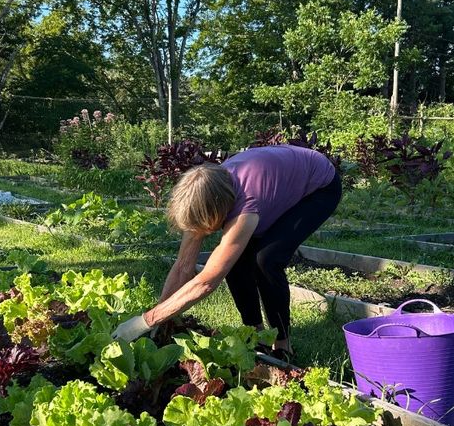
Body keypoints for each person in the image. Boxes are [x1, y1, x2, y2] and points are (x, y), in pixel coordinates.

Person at [112, 144, 342, 359]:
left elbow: (207, 281)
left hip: (318, 187)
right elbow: (183, 266)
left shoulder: (245, 207)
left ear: (216, 212)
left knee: (266, 260)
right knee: (236, 261)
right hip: (276, 178)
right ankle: (255, 334)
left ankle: (283, 344)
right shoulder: (206, 193)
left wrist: (145, 321)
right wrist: (162, 316)